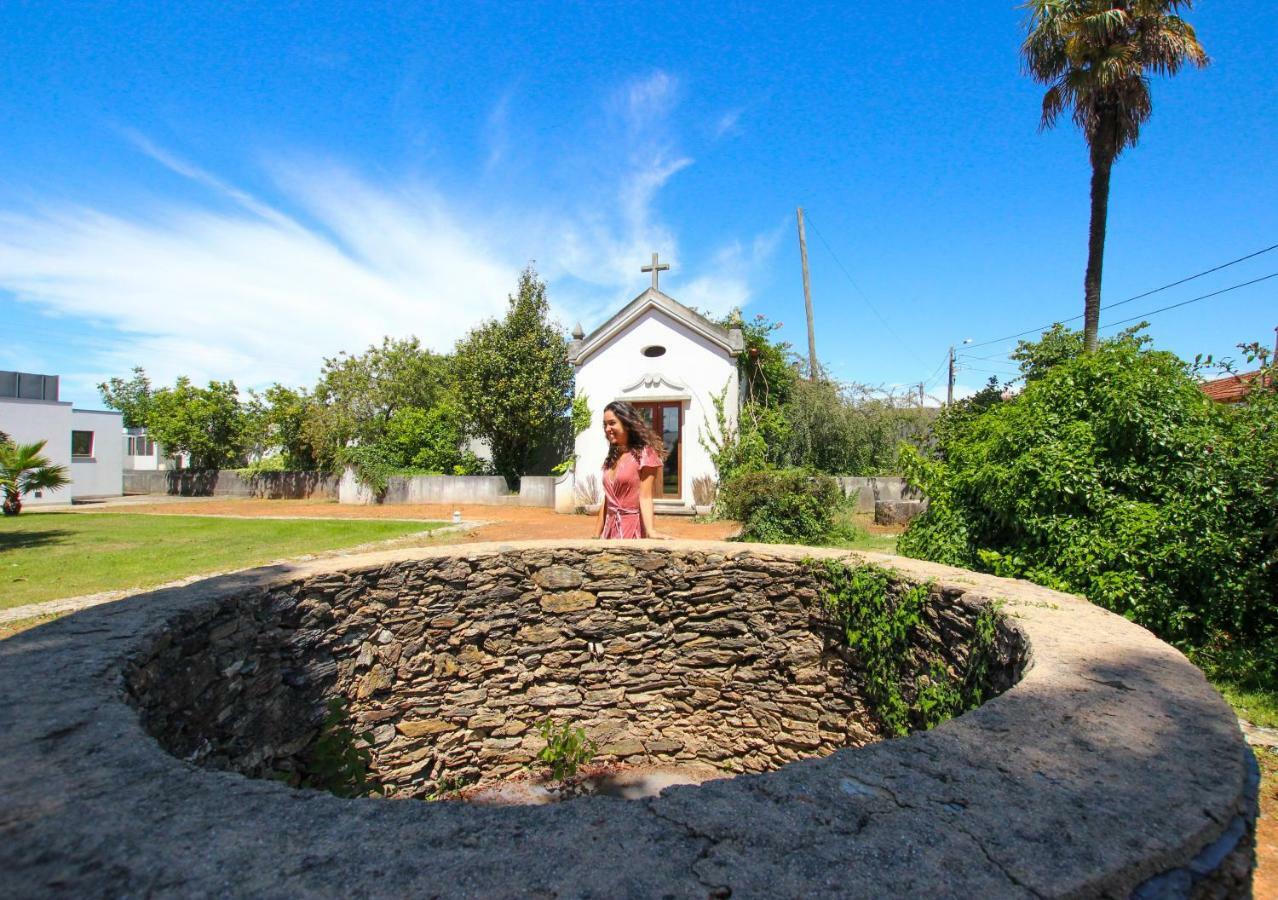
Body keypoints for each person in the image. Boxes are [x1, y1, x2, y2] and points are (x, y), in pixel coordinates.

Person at [593, 400, 671, 539]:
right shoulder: (613, 456)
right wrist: (595, 535)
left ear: (627, 424)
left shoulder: (645, 454)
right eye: (605, 424)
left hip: (631, 530)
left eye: (612, 423)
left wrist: (651, 531)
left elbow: (645, 496)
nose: (607, 429)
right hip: (609, 532)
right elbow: (607, 499)